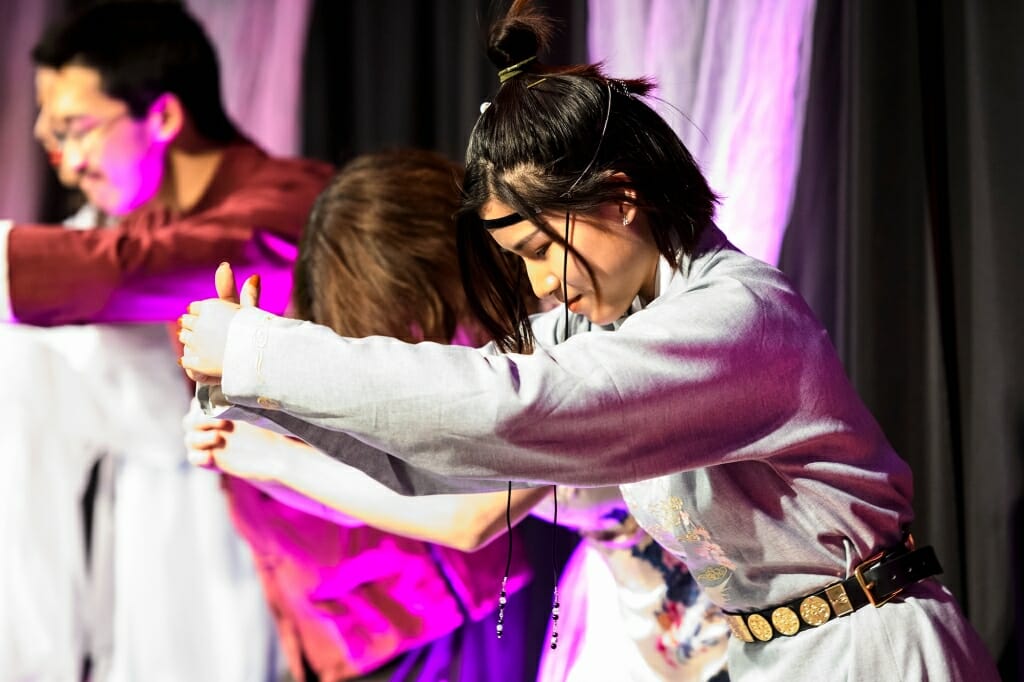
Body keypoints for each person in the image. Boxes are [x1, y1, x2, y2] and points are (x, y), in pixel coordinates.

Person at [178, 1, 1000, 679]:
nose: (536, 287)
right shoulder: (612, 321)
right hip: (769, 655)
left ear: (618, 199)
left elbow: (511, 411)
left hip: (868, 652)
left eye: (539, 250)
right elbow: (454, 454)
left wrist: (263, 352)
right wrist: (263, 405)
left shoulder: (737, 317)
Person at [1, 3, 332, 680]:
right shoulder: (141, 219)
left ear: (164, 117)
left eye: (74, 129)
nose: (63, 162)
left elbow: (139, 264)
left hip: (390, 587)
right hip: (233, 565)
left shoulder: (290, 204)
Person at [184, 150, 537, 682]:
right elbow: (385, 486)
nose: (415, 355)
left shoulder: (557, 352)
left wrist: (274, 448)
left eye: (413, 330)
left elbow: (469, 517)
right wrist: (250, 430)